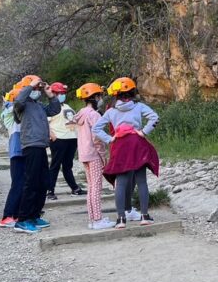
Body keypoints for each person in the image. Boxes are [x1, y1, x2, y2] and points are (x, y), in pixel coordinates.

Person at [92, 77, 159, 229]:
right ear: (132, 91)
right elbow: (155, 117)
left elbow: (95, 129)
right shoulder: (139, 106)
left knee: (121, 183)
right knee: (141, 181)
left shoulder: (111, 111)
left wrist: (110, 139)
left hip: (120, 145)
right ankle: (144, 216)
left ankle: (121, 219)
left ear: (116, 94)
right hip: (137, 144)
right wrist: (143, 132)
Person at [12, 76, 61, 234]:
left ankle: (34, 215)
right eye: (34, 89)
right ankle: (22, 219)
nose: (36, 91)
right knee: (31, 182)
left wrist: (50, 95)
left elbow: (55, 110)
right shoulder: (22, 105)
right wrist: (29, 86)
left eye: (38, 89)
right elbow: (18, 101)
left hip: (40, 146)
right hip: (31, 146)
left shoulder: (38, 105)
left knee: (43, 182)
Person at [74, 82, 114, 230]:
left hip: (84, 154)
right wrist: (103, 155)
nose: (101, 99)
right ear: (94, 97)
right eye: (99, 96)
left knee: (91, 188)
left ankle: (92, 219)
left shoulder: (81, 114)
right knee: (96, 188)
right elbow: (97, 138)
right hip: (94, 155)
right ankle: (98, 219)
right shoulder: (94, 115)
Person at [46, 82, 85, 200]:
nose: (62, 95)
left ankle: (75, 188)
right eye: (59, 93)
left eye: (63, 93)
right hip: (59, 139)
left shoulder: (67, 106)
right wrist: (51, 135)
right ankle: (50, 190)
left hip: (71, 139)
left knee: (68, 165)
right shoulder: (50, 108)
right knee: (55, 165)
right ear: (53, 94)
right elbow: (44, 122)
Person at [0, 87, 24, 228]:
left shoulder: (18, 112)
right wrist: (8, 101)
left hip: (23, 151)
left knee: (22, 183)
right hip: (16, 152)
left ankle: (16, 214)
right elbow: (11, 108)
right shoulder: (8, 114)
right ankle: (7, 216)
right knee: (17, 184)